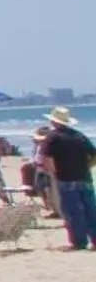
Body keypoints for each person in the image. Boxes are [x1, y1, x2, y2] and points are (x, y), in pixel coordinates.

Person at [40, 107, 95, 252]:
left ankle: (79, 242)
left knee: (73, 211)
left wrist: (52, 173)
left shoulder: (52, 137)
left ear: (53, 121)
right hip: (85, 177)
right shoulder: (79, 136)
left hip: (65, 178)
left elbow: (47, 159)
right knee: (90, 210)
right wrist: (87, 166)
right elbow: (94, 154)